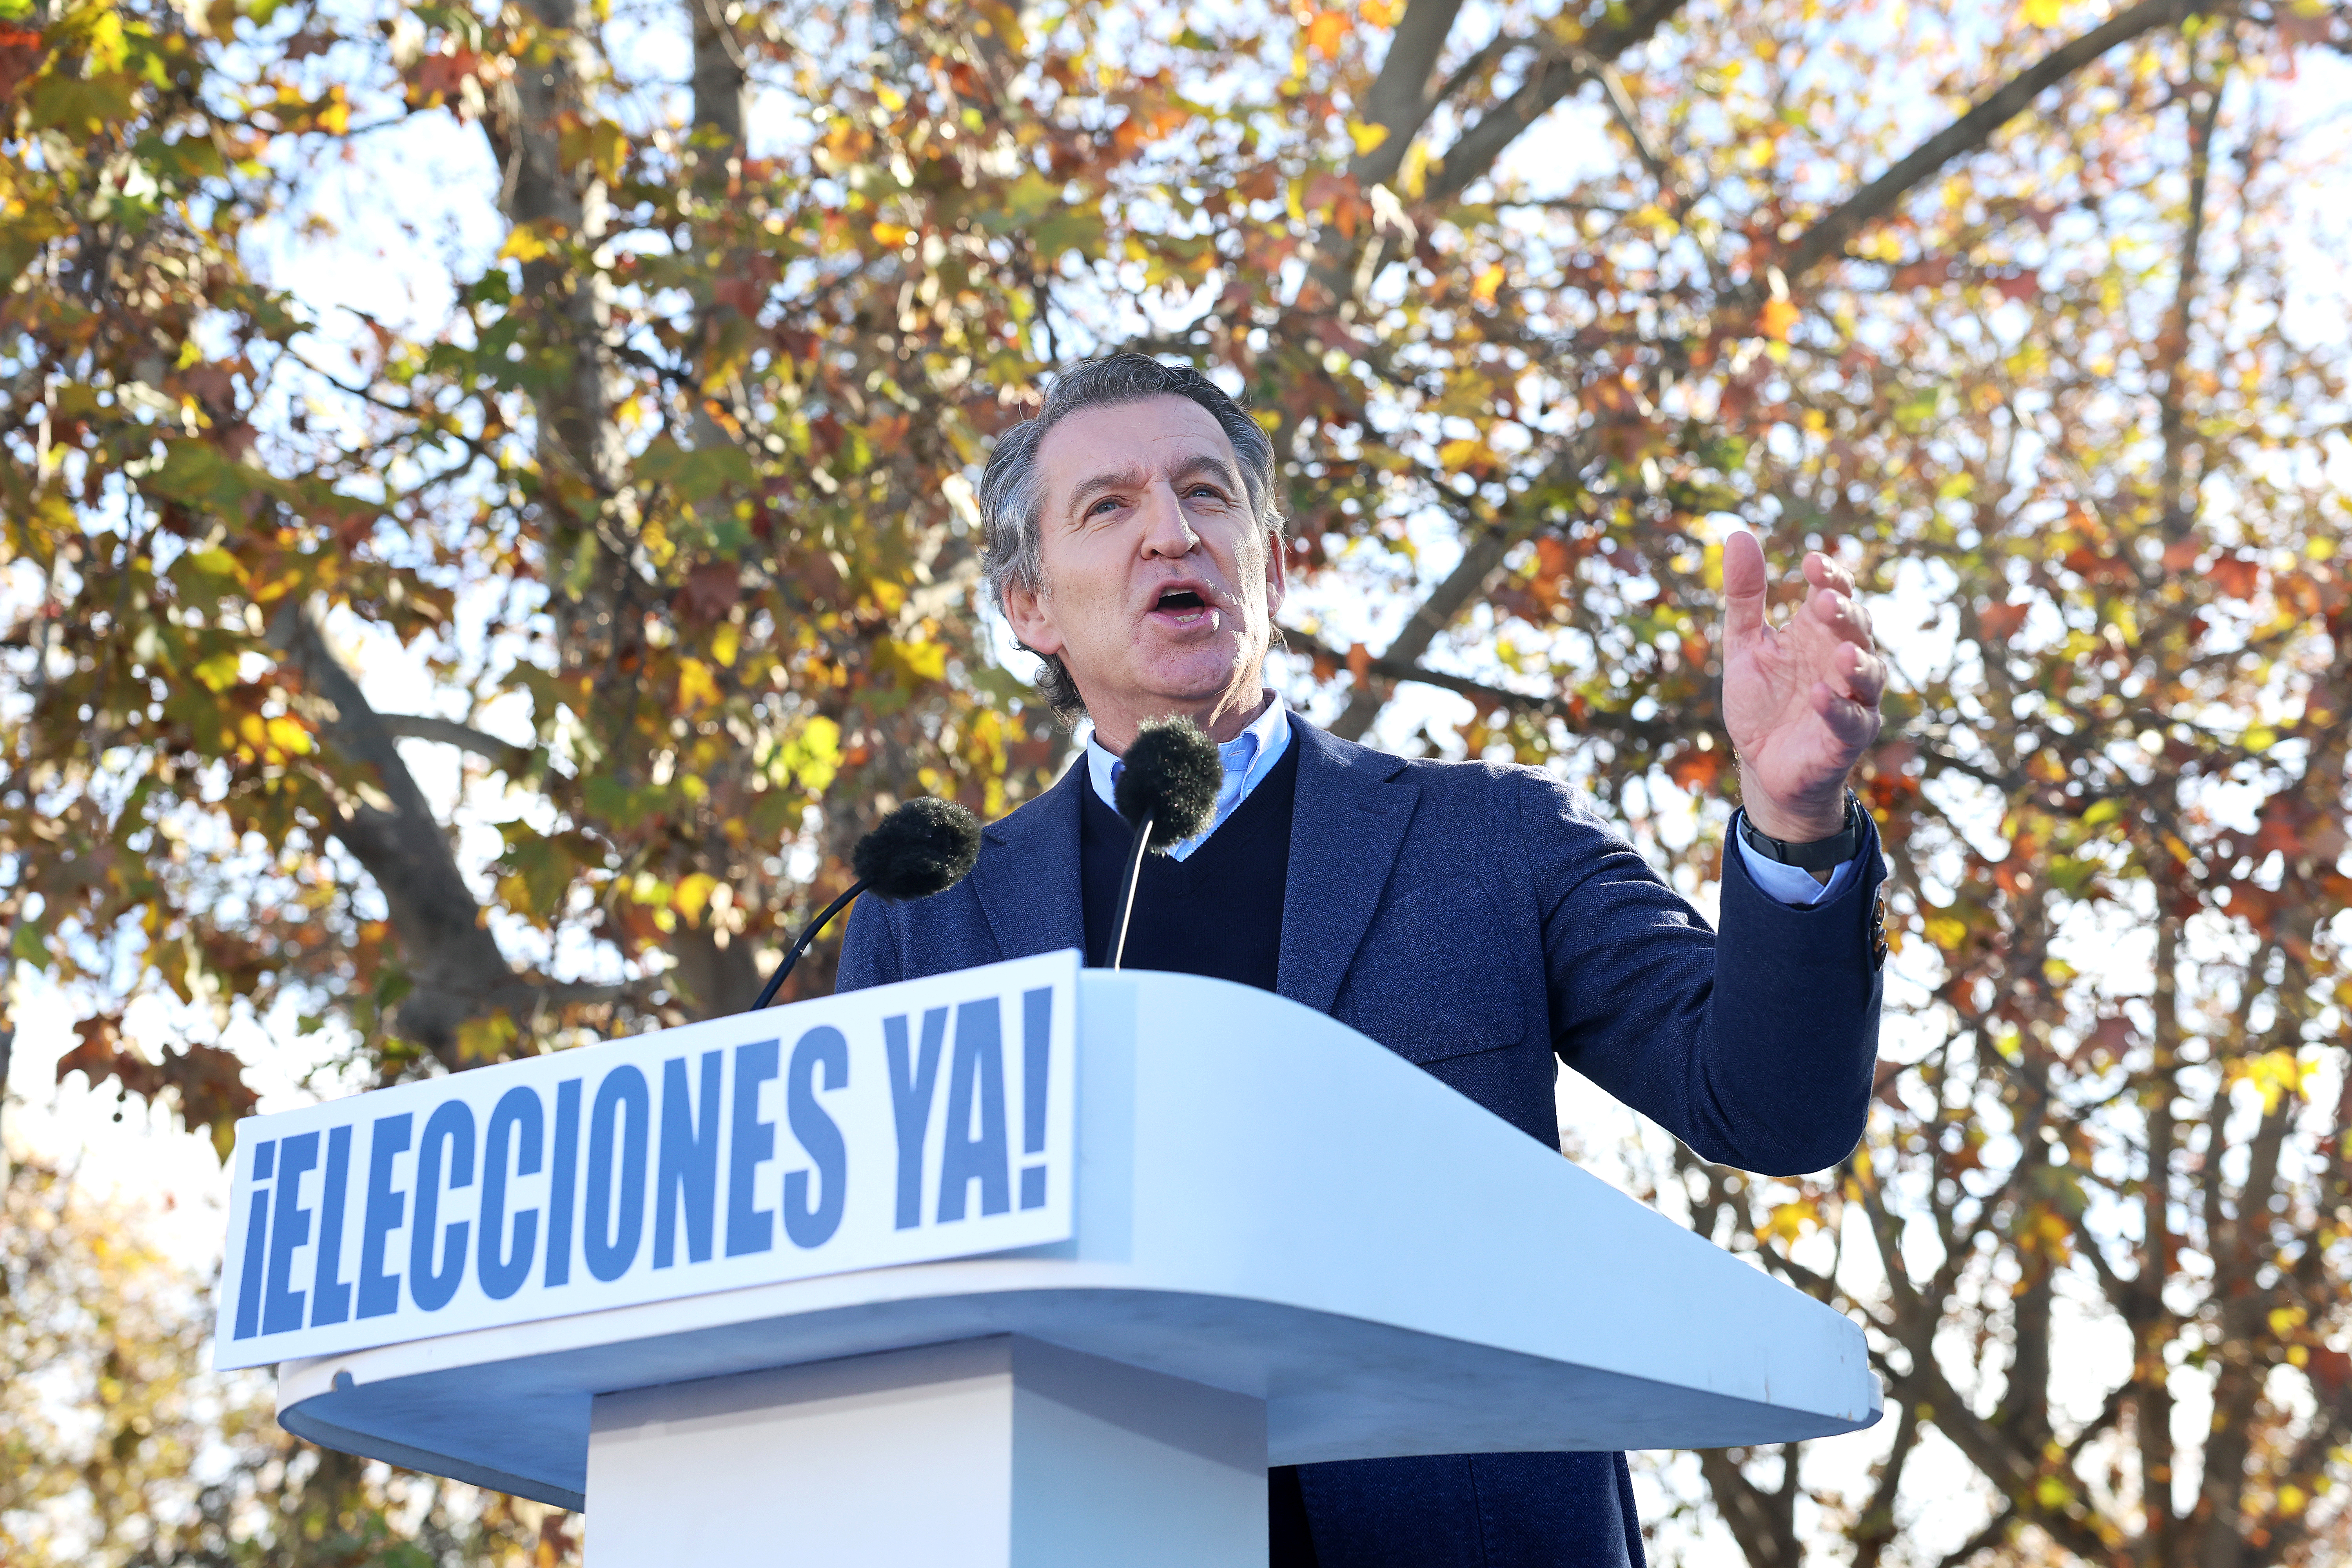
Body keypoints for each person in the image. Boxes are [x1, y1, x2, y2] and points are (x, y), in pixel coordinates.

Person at [837, 354, 1888, 1568]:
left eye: (1208, 494)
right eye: (1109, 507)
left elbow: (1772, 1106)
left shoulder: (1493, 838)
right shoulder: (932, 917)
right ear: (1029, 608)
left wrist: (1794, 823)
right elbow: (877, 1316)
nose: (1172, 533)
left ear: (1271, 569)